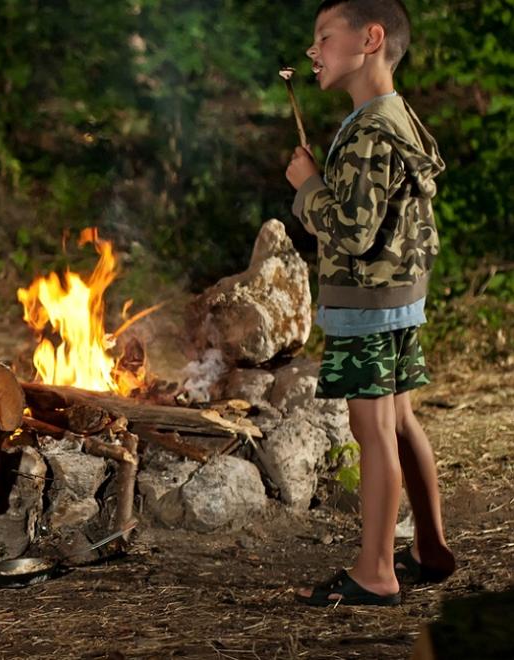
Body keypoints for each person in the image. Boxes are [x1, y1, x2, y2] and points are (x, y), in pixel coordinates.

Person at [286, 0, 456, 606]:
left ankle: (376, 571)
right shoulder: (396, 116)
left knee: (373, 429)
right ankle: (429, 547)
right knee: (400, 420)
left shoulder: (366, 132)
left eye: (324, 36)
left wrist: (307, 188)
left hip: (366, 303)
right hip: (400, 300)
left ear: (370, 39)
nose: (313, 50)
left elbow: (353, 232)